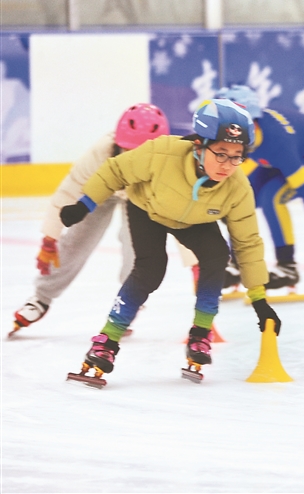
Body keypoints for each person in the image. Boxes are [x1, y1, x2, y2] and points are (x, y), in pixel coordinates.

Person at [59, 99, 282, 381]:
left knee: (217, 255)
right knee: (151, 269)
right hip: (147, 209)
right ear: (199, 145)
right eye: (221, 153)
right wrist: (84, 205)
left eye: (237, 155)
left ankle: (200, 334)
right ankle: (106, 341)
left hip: (195, 221)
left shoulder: (237, 188)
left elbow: (247, 242)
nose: (228, 165)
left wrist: (259, 299)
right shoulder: (163, 153)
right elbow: (115, 170)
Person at [10, 103, 170, 336]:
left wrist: (196, 262)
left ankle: (130, 300)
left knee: (138, 248)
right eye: (127, 150)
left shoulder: (169, 165)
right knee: (76, 239)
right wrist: (49, 238)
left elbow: (182, 213)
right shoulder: (101, 153)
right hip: (101, 189)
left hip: (141, 198)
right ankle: (41, 298)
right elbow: (68, 192)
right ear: (117, 143)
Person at [213, 85, 304, 291]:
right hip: (276, 158)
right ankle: (236, 263)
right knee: (239, 199)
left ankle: (287, 266)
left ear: (252, 122)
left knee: (271, 197)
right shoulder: (243, 135)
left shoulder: (279, 143)